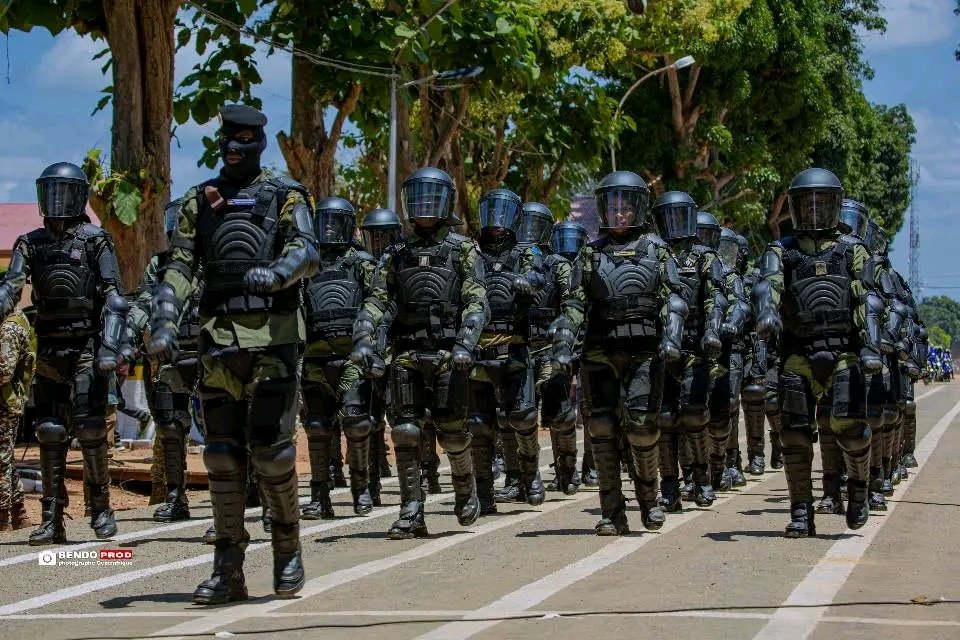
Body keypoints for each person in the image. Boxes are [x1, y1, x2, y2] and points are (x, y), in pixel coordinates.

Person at [148, 104, 319, 603]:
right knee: (221, 455)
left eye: (243, 138)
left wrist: (281, 272)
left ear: (259, 142)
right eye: (227, 138)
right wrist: (163, 320)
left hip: (275, 338)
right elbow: (178, 265)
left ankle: (287, 548)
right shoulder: (197, 203)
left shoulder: (285, 195)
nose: (233, 147)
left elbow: (308, 249)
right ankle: (228, 567)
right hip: (219, 340)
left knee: (271, 450)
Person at [352, 167, 489, 539]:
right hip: (407, 354)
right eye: (417, 197)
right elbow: (378, 300)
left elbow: (477, 301)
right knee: (406, 432)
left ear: (446, 203)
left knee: (453, 435)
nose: (424, 205)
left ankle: (465, 490)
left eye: (431, 197)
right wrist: (363, 334)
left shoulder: (463, 249)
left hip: (449, 354)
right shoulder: (396, 252)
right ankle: (411, 509)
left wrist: (465, 344)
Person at [0, 162, 128, 545]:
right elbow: (11, 285)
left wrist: (111, 345)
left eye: (64, 190)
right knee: (50, 432)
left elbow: (115, 297)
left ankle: (101, 509)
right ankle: (51, 518)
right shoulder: (29, 242)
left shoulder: (96, 240)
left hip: (87, 343)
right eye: (50, 190)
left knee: (90, 428)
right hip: (50, 345)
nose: (56, 199)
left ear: (78, 195)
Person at [554, 171, 687, 535]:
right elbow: (574, 303)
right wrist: (564, 342)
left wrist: (672, 337)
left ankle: (649, 501)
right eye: (612, 208)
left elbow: (673, 298)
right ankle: (612, 512)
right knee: (602, 428)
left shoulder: (656, 249)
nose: (619, 215)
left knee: (643, 429)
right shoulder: (589, 254)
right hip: (599, 351)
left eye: (625, 208)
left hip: (644, 351)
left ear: (637, 210)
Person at [753, 168, 884, 537]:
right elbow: (768, 284)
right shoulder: (782, 250)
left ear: (835, 206)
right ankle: (800, 512)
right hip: (799, 352)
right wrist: (765, 312)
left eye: (821, 203)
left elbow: (867, 296)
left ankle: (857, 490)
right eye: (805, 204)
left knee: (850, 429)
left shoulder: (853, 249)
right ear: (793, 208)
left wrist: (870, 347)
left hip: (846, 352)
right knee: (794, 435)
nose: (813, 211)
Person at [300, 197, 378, 519]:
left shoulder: (360, 262)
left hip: (351, 361)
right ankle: (320, 497)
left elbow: (379, 300)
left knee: (355, 424)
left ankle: (360, 492)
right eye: (324, 222)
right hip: (315, 361)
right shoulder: (308, 264)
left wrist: (373, 347)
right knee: (317, 427)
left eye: (336, 222)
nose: (329, 228)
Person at [467, 190, 545, 513]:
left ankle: (530, 474)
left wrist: (528, 281)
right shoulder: (471, 253)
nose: (496, 222)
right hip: (480, 350)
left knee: (522, 417)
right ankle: (484, 493)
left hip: (514, 347)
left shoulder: (525, 252)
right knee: (480, 425)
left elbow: (540, 276)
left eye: (503, 215)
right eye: (491, 213)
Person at [655, 192, 724, 511]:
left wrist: (712, 330)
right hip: (661, 347)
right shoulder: (653, 253)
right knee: (665, 418)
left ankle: (702, 479)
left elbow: (714, 299)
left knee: (694, 415)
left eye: (679, 215)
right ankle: (668, 484)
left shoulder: (705, 257)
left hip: (695, 345)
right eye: (666, 216)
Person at [358, 207, 404, 505]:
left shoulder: (402, 262)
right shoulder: (358, 266)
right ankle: (371, 483)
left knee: (405, 419)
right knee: (369, 420)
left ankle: (421, 476)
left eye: (385, 236)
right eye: (374, 237)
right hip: (368, 353)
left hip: (398, 351)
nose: (379, 243)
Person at [0, 306, 36, 531]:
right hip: (6, 403)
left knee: (0, 461)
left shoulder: (10, 326)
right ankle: (18, 511)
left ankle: (2, 517)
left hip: (4, 404)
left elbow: (3, 371)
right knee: (5, 459)